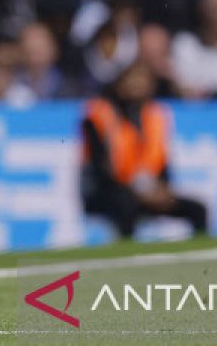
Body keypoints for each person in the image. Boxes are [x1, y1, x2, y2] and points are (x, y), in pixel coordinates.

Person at [80, 60, 208, 239]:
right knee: (126, 204)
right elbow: (99, 168)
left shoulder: (155, 116)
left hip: (148, 191)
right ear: (119, 82)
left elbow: (162, 162)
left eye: (142, 79)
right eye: (132, 78)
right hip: (108, 191)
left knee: (198, 209)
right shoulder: (99, 115)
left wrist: (162, 190)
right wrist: (136, 191)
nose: (137, 84)